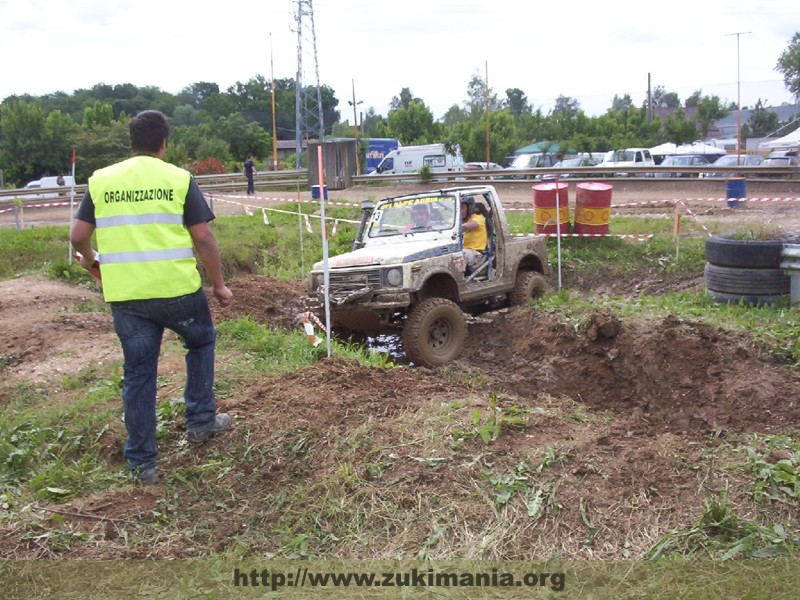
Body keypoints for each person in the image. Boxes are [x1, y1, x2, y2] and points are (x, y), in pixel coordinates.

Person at [70, 110, 234, 485]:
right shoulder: (178, 179)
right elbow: (204, 238)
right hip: (177, 291)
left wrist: (92, 262)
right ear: (164, 142)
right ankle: (201, 421)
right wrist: (219, 285)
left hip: (127, 295)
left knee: (138, 374)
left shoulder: (101, 181)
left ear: (132, 141)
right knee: (201, 340)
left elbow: (78, 236)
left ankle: (142, 463)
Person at [460, 196, 487, 270]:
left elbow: (466, 226)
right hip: (463, 250)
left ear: (470, 208)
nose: (459, 210)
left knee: (458, 256)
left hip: (476, 252)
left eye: (462, 207)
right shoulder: (460, 220)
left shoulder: (478, 218)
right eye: (458, 208)